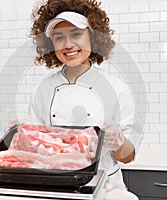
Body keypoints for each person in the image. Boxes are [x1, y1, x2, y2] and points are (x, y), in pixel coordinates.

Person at [29, 0, 138, 199]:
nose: (68, 45)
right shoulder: (42, 89)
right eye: (59, 37)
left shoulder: (116, 87)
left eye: (76, 34)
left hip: (106, 189)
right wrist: (23, 136)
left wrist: (118, 141)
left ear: (93, 36)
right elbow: (37, 152)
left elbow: (128, 157)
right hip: (57, 188)